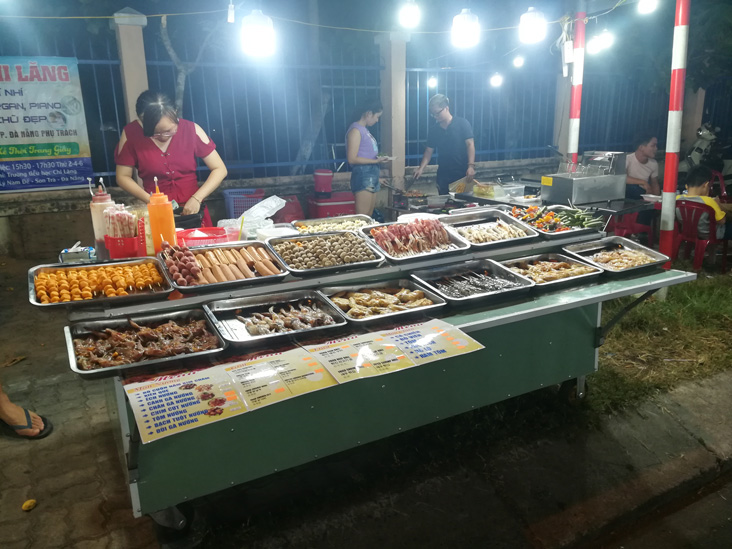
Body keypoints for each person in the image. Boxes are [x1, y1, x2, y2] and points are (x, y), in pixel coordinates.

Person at [115, 91, 228, 227]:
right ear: (142, 119)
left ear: (175, 112)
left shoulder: (191, 129)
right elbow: (122, 176)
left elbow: (219, 169)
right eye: (155, 133)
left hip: (194, 211)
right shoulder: (131, 134)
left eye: (169, 131)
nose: (163, 136)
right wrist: (152, 201)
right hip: (157, 212)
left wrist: (197, 198)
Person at [413, 94, 475, 195]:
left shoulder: (462, 124)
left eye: (437, 113)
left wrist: (471, 166)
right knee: (446, 205)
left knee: (462, 203)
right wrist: (421, 168)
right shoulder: (434, 130)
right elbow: (428, 151)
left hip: (462, 174)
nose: (436, 117)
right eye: (433, 114)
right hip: (443, 174)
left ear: (446, 108)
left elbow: (470, 145)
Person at [346, 97, 390, 216]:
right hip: (363, 174)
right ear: (369, 113)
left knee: (368, 217)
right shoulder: (355, 130)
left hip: (371, 175)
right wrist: (375, 161)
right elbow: (352, 158)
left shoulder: (364, 130)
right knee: (362, 218)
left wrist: (378, 163)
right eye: (377, 116)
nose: (377, 120)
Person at [677, 165, 732, 240]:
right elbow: (722, 221)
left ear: (687, 186)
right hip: (711, 235)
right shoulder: (709, 201)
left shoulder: (678, 199)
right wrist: (718, 205)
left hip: (688, 233)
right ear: (706, 185)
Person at [626, 135, 660, 199]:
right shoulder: (628, 159)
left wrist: (657, 200)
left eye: (656, 146)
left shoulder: (653, 163)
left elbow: (655, 184)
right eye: (653, 146)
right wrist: (643, 182)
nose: (656, 148)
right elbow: (622, 179)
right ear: (641, 147)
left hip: (644, 194)